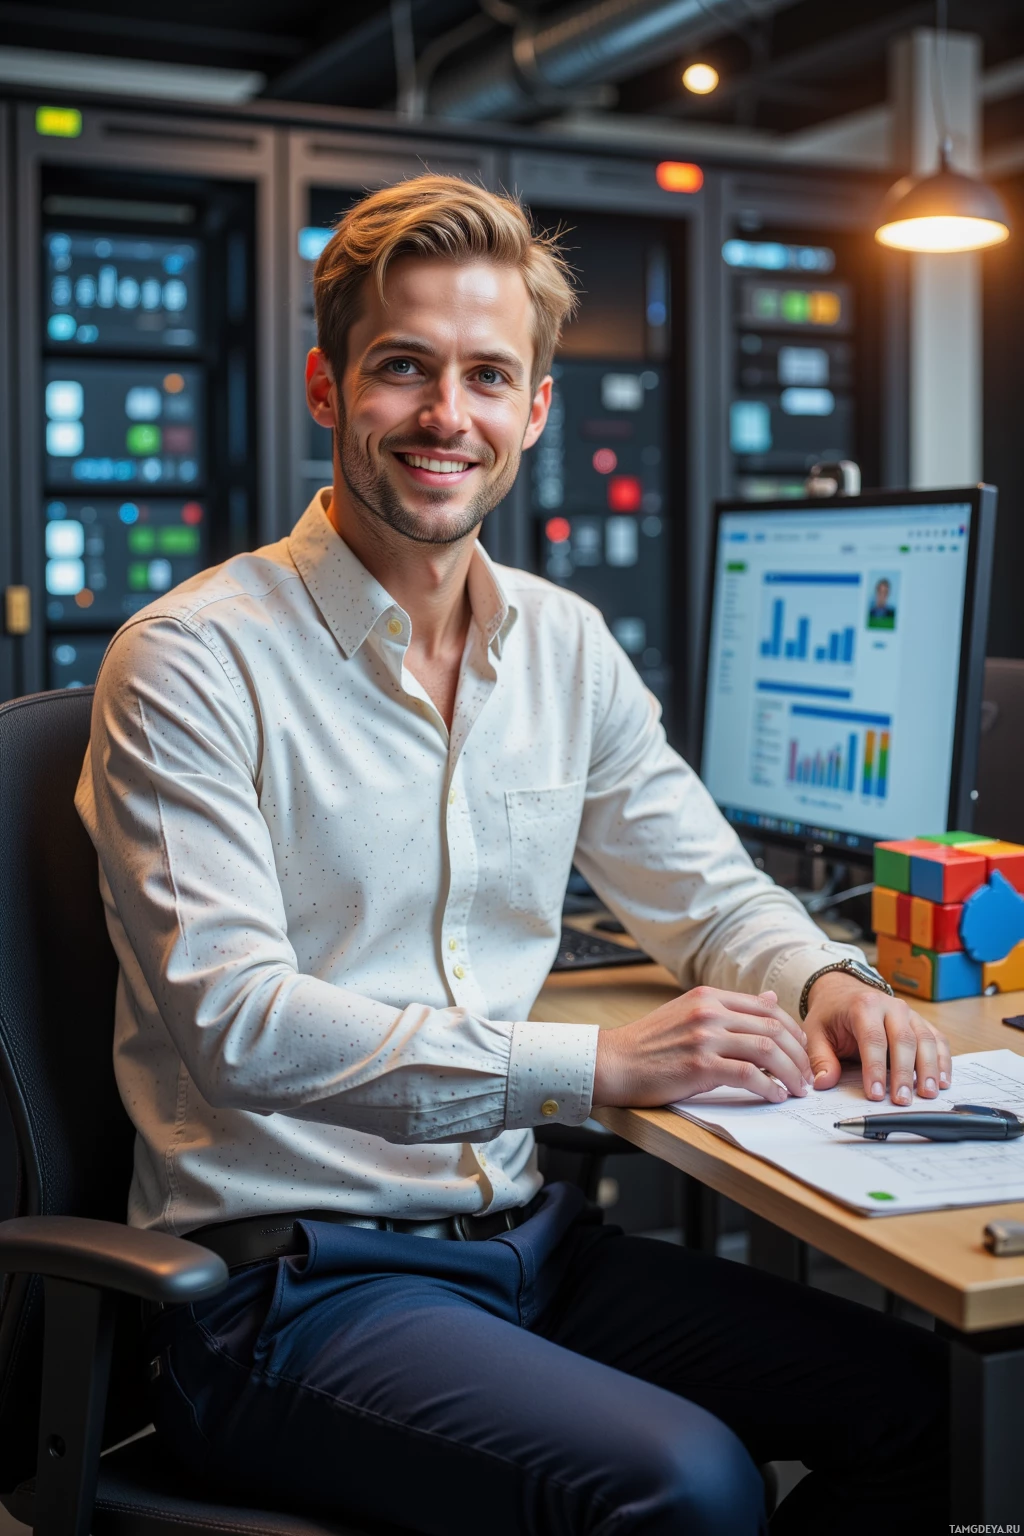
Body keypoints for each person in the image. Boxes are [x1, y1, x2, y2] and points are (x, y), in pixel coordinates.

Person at [77, 176, 950, 1535]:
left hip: (527, 1244)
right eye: (403, 370)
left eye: (490, 376)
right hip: (285, 1286)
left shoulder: (563, 645)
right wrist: (596, 1068)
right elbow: (233, 1023)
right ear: (326, 388)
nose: (447, 416)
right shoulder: (192, 660)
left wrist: (826, 980)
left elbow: (706, 893)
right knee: (687, 1489)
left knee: (924, 1405)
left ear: (535, 408)